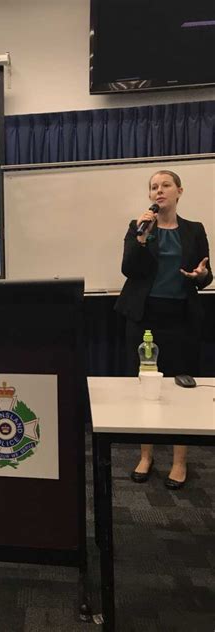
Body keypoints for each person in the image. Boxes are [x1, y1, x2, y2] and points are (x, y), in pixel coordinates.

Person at [115, 170, 212, 489]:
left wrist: (200, 275)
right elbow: (129, 268)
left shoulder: (194, 230)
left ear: (179, 191)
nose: (159, 191)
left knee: (180, 389)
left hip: (182, 319)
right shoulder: (139, 227)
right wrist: (141, 239)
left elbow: (205, 274)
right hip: (144, 317)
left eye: (165, 185)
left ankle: (180, 460)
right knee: (146, 388)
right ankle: (146, 455)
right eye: (154, 187)